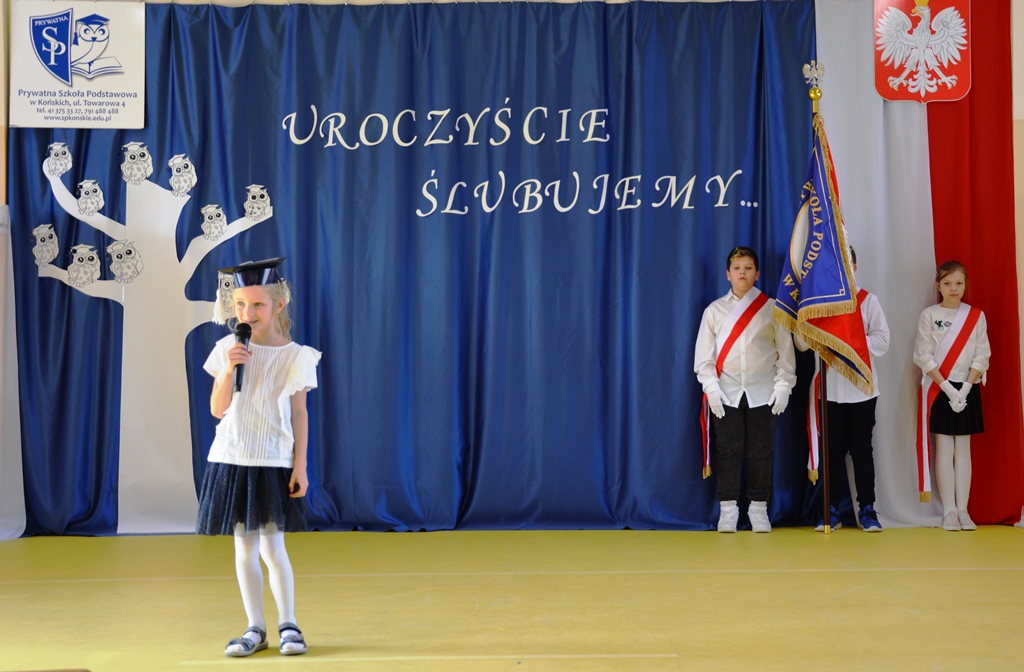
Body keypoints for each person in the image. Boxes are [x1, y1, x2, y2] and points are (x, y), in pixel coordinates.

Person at [197, 257, 322, 655]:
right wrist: (227, 371)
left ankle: (289, 625)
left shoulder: (296, 355)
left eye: (257, 305)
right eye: (240, 305)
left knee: (273, 547)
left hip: (272, 458)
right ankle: (255, 627)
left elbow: (299, 413)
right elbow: (217, 409)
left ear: (278, 305)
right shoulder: (227, 349)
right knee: (244, 547)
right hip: (233, 457)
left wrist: (300, 465)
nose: (247, 313)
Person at [694, 246, 796, 532]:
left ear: (757, 273)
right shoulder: (714, 310)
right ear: (728, 274)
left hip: (764, 392)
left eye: (748, 268)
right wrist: (711, 387)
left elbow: (786, 353)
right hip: (725, 392)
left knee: (761, 452)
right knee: (728, 451)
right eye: (737, 268)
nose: (742, 273)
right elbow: (704, 358)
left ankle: (758, 509)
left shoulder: (773, 308)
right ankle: (728, 509)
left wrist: (784, 385)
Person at [795, 248, 889, 532]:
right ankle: (831, 508)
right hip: (829, 390)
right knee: (832, 451)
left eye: (847, 264)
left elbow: (883, 341)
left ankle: (867, 508)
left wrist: (849, 343)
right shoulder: (819, 304)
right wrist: (805, 319)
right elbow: (801, 345)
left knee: (861, 450)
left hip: (861, 389)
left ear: (855, 267)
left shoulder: (868, 300)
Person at [913, 260, 990, 531]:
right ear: (938, 286)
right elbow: (922, 354)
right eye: (947, 283)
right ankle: (949, 511)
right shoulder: (929, 315)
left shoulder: (976, 316)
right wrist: (946, 387)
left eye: (958, 283)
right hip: (939, 388)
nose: (953, 288)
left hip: (967, 388)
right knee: (944, 448)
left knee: (964, 449)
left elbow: (982, 353)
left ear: (965, 285)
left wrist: (966, 388)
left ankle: (964, 510)